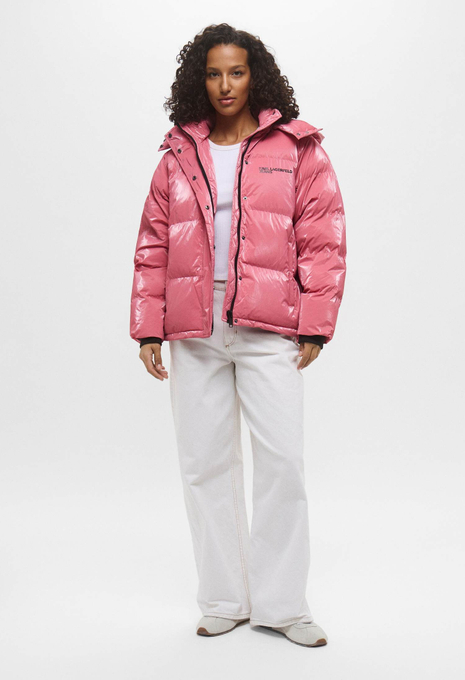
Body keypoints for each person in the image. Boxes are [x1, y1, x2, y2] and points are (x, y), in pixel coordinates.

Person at [129, 23, 347, 648]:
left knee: (282, 462)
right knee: (205, 464)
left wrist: (316, 324)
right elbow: (152, 243)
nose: (225, 85)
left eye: (237, 72)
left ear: (257, 76)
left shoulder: (299, 148)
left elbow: (323, 239)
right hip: (194, 327)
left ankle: (283, 605)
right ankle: (224, 598)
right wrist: (148, 329)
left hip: (268, 323)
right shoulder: (177, 154)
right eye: (214, 73)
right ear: (198, 80)